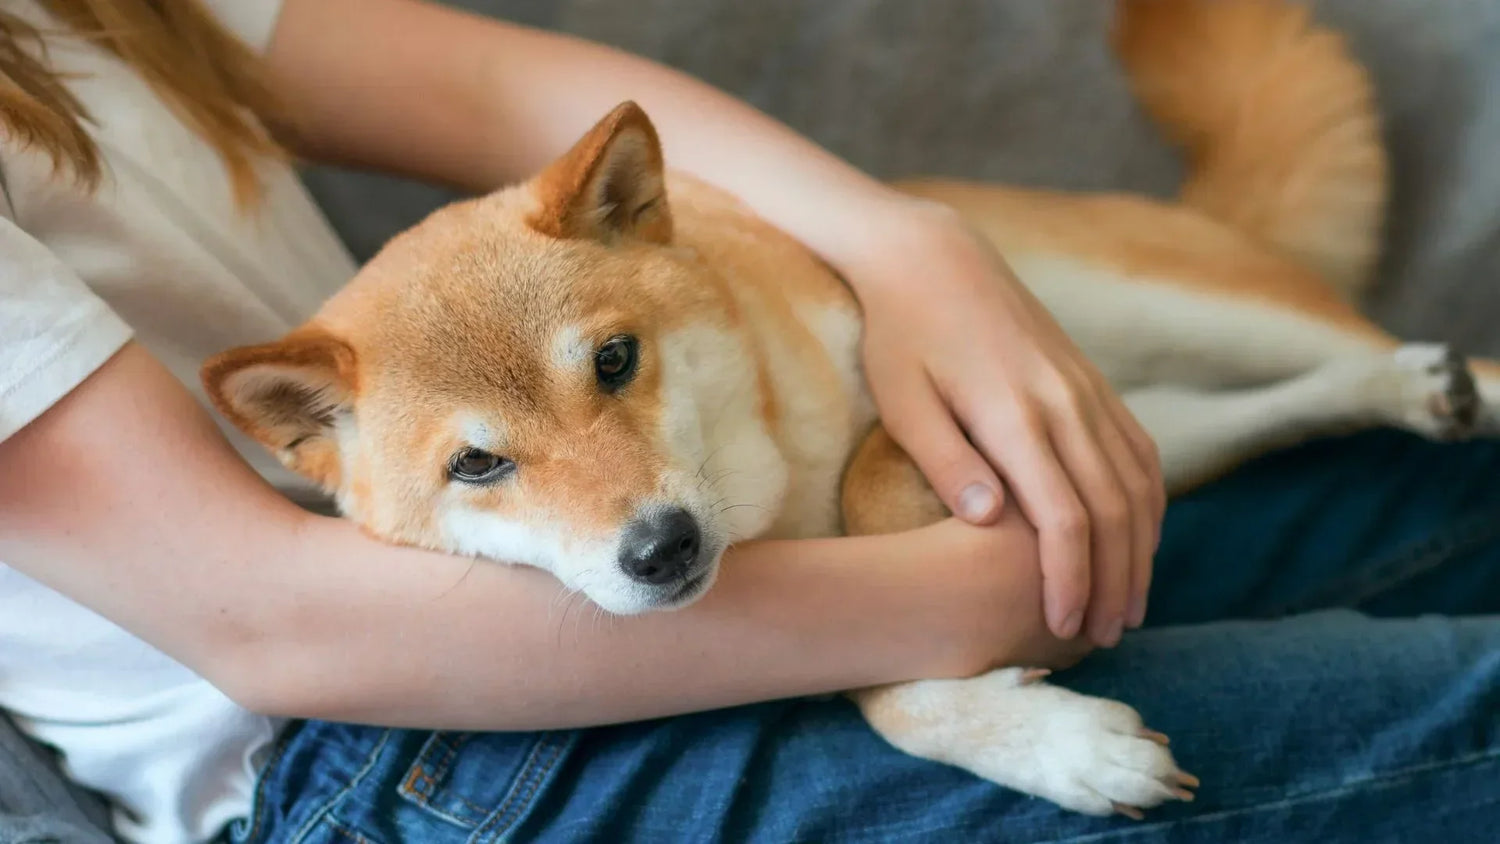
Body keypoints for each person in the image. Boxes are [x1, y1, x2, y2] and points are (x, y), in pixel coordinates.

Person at [0, 1, 1496, 842]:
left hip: (709, 562)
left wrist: (910, 244)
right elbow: (274, 628)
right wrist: (942, 611)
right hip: (374, 746)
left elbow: (494, 83)